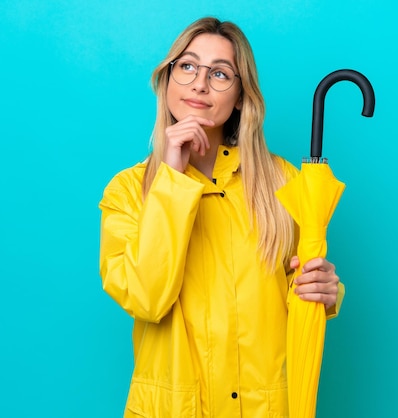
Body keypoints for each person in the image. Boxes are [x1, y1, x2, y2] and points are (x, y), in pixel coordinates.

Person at [99, 16, 344, 417]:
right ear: (168, 81)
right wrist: (173, 180)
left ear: (242, 97)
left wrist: (326, 290)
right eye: (188, 66)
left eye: (220, 73)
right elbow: (146, 298)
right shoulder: (127, 191)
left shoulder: (283, 182)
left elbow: (303, 289)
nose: (200, 83)